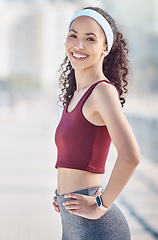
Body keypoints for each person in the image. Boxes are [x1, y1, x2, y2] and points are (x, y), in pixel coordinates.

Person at [52, 6, 141, 240]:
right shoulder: (75, 95)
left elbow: (131, 155)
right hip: (72, 221)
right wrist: (62, 194)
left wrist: (100, 204)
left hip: (96, 227)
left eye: (90, 38)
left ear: (105, 48)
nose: (79, 45)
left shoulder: (102, 92)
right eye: (73, 35)